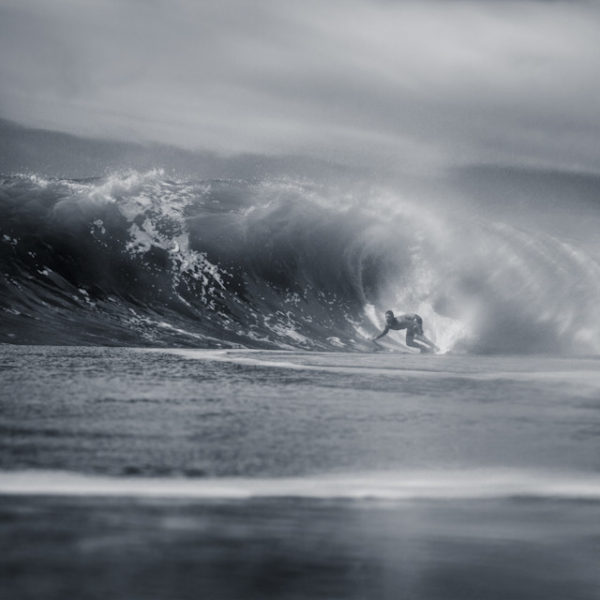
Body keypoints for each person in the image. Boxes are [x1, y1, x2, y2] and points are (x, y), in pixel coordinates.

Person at [372, 310, 438, 353]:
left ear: (392, 317)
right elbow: (384, 333)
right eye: (386, 317)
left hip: (416, 320)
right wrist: (376, 338)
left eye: (389, 317)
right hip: (410, 326)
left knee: (417, 336)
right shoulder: (388, 325)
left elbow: (416, 319)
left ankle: (435, 347)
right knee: (409, 343)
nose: (387, 318)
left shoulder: (400, 321)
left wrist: (420, 329)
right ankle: (424, 348)